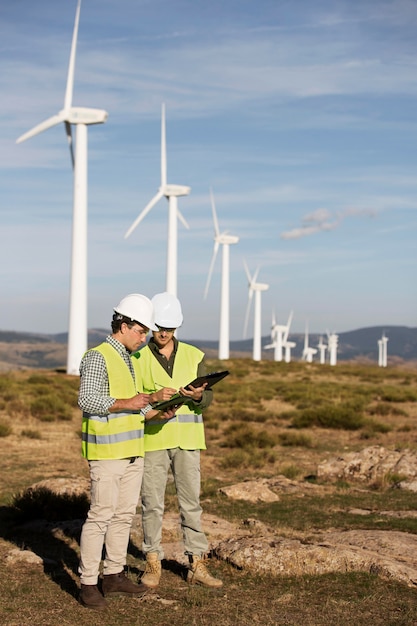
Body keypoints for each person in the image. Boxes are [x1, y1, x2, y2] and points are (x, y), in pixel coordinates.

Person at [77, 293, 177, 610]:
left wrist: (157, 411)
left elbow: (132, 409)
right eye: (141, 330)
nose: (145, 337)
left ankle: (114, 574)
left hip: (132, 453)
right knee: (100, 518)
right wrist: (130, 402)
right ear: (123, 325)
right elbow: (88, 400)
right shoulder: (98, 356)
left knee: (122, 517)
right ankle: (88, 582)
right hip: (107, 454)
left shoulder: (129, 360)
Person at [134, 292, 223, 589]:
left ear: (177, 328)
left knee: (191, 503)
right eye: (159, 327)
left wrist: (199, 396)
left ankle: (197, 562)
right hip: (153, 439)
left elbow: (207, 399)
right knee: (151, 504)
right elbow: (134, 399)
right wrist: (153, 401)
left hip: (188, 438)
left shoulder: (194, 355)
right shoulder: (137, 358)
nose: (163, 333)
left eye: (169, 328)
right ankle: (152, 561)